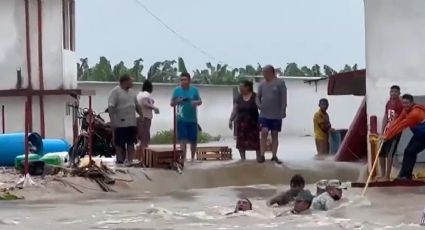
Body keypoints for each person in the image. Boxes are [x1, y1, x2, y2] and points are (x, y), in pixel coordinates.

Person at [384, 94, 425, 180]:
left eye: (407, 103)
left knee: (410, 151)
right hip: (420, 135)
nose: (404, 105)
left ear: (412, 103)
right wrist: (387, 133)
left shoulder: (415, 113)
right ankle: (404, 175)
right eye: (403, 103)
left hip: (423, 136)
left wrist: (387, 137)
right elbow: (397, 122)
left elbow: (401, 126)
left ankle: (405, 176)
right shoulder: (405, 110)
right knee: (408, 151)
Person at [256, 65, 286, 164]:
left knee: (274, 134)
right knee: (264, 132)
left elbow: (284, 97)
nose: (263, 75)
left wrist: (283, 109)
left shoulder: (280, 83)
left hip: (276, 114)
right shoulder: (262, 84)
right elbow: (257, 97)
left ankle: (274, 156)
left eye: (264, 72)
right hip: (264, 114)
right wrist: (258, 105)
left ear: (271, 72)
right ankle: (262, 155)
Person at [170, 72, 202, 162]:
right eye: (181, 80)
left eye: (184, 79)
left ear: (189, 80)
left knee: (193, 140)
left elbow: (200, 101)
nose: (182, 81)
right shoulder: (177, 90)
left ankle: (192, 158)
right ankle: (183, 158)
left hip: (192, 119)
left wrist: (195, 102)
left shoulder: (194, 90)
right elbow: (171, 104)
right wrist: (177, 101)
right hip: (181, 119)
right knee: (182, 139)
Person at [108, 74, 139, 164]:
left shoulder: (133, 92)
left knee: (131, 143)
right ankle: (120, 160)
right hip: (120, 123)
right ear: (125, 81)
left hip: (131, 122)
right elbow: (111, 107)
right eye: (131, 81)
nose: (132, 83)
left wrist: (141, 115)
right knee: (119, 144)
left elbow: (137, 105)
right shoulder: (115, 92)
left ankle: (130, 161)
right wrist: (112, 120)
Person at [229, 80, 260, 160]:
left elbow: (261, 108)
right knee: (241, 142)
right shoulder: (239, 97)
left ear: (247, 87)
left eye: (241, 87)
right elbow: (235, 110)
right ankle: (243, 159)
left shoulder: (255, 96)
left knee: (255, 142)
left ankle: (259, 158)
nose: (240, 88)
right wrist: (230, 120)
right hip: (241, 123)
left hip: (253, 123)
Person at [378, 85, 403, 180]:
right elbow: (385, 117)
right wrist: (382, 132)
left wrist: (390, 132)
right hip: (386, 131)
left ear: (399, 93)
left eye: (395, 91)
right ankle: (382, 174)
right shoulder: (388, 103)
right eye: (391, 91)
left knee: (389, 154)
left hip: (395, 132)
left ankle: (387, 176)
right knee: (381, 153)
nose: (393, 93)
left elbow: (397, 119)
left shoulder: (400, 104)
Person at [136, 80, 159, 158]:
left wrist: (151, 102)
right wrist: (155, 108)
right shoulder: (146, 94)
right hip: (145, 118)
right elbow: (145, 103)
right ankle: (143, 158)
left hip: (138, 117)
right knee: (145, 139)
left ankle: (139, 156)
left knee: (141, 139)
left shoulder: (139, 94)